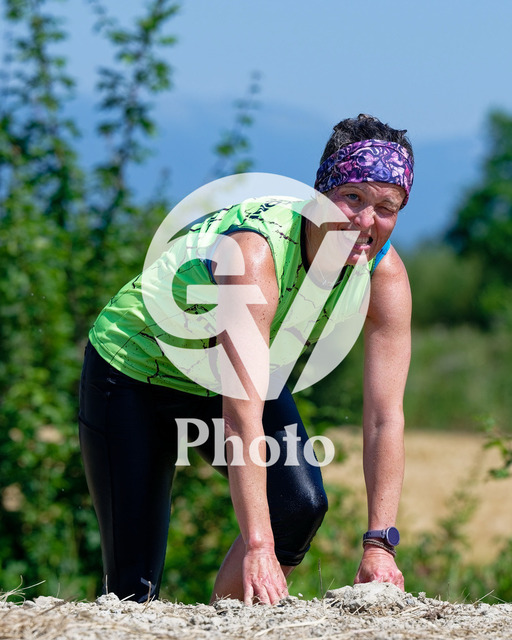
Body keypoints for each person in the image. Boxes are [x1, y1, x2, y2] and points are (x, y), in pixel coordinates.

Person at [78, 113, 414, 605]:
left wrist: (380, 544)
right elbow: (240, 417)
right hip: (133, 371)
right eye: (352, 198)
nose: (365, 221)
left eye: (386, 207)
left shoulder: (383, 276)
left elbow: (385, 417)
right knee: (134, 590)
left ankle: (229, 624)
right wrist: (258, 545)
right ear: (320, 195)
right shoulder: (255, 254)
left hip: (224, 372)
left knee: (297, 508)